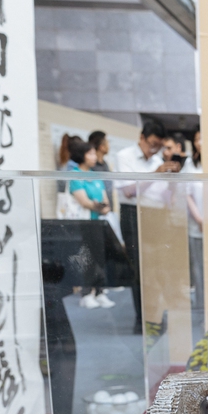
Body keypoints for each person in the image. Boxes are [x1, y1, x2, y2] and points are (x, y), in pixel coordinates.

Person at [114, 120, 178, 333]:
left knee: (159, 268)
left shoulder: (158, 160)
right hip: (134, 214)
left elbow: (166, 196)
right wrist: (156, 173)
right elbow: (128, 191)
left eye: (158, 146)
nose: (154, 149)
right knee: (139, 268)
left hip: (157, 214)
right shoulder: (125, 156)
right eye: (152, 144)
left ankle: (155, 315)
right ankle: (142, 319)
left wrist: (172, 180)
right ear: (141, 138)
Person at [67, 137, 115, 310]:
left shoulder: (95, 175)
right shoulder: (75, 175)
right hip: (82, 225)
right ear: (82, 155)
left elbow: (105, 201)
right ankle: (86, 293)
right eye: (91, 154)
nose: (94, 157)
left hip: (97, 223)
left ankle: (99, 292)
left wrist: (102, 207)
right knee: (86, 259)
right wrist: (98, 206)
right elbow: (84, 201)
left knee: (100, 258)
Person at [184, 130, 205, 329]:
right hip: (197, 225)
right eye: (198, 139)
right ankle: (201, 311)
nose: (201, 142)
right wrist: (199, 218)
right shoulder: (191, 165)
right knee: (198, 270)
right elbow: (187, 194)